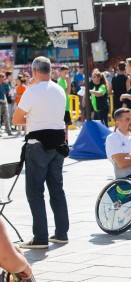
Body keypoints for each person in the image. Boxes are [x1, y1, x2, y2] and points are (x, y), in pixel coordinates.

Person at [12, 56, 69, 249]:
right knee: (57, 190)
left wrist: (32, 117)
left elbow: (16, 119)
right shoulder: (60, 89)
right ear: (50, 70)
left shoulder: (31, 92)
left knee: (35, 192)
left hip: (37, 145)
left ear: (35, 71)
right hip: (58, 144)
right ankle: (62, 233)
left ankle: (40, 237)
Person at [57, 65, 72, 144]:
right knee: (64, 125)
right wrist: (69, 82)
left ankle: (66, 141)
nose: (66, 74)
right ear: (60, 73)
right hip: (63, 107)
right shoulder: (61, 81)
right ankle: (64, 141)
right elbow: (68, 92)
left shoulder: (63, 80)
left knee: (66, 125)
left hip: (66, 106)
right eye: (64, 72)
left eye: (67, 72)